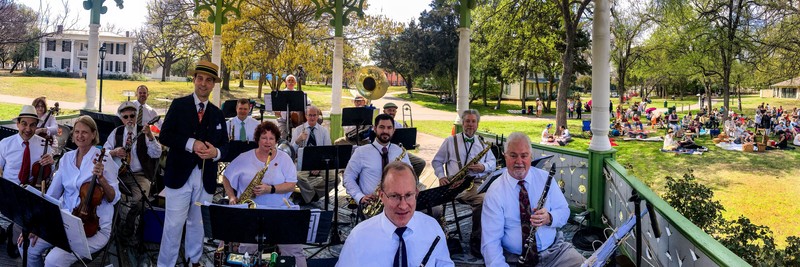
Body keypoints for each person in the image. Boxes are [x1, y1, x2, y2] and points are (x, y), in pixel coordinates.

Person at [21, 115, 121, 267]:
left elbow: (113, 198)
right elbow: (51, 195)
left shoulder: (104, 159)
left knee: (53, 261)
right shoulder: (66, 159)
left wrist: (101, 179)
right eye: (77, 132)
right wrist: (37, 224)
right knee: (26, 246)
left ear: (94, 134)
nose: (80, 136)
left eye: (85, 132)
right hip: (66, 222)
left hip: (93, 228)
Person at [157, 60, 229, 267]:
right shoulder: (179, 105)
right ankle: (165, 264)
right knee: (173, 225)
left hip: (205, 178)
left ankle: (194, 261)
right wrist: (191, 143)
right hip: (179, 175)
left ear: (214, 84)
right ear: (194, 80)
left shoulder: (217, 113)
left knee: (198, 225)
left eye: (208, 80)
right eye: (200, 79)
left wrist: (215, 152)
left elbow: (226, 146)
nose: (203, 84)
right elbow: (165, 136)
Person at [481, 132, 585, 266]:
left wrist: (550, 218)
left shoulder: (545, 178)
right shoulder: (495, 192)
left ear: (531, 156)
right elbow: (490, 244)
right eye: (513, 156)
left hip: (554, 252)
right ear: (504, 156)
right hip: (516, 259)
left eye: (524, 156)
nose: (519, 162)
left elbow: (564, 211)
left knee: (585, 264)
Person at [337, 161, 454, 267]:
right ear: (381, 196)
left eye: (408, 195)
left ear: (416, 194)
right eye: (394, 196)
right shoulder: (359, 237)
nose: (403, 206)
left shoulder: (432, 228)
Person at [222, 121, 307, 266]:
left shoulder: (284, 158)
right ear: (257, 139)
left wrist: (270, 189)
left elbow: (291, 185)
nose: (268, 142)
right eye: (264, 138)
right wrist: (231, 196)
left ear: (276, 140)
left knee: (294, 250)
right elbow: (226, 177)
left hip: (280, 211)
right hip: (251, 213)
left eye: (271, 138)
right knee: (246, 250)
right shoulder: (244, 157)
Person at [432, 109, 497, 257]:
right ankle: (476, 240)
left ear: (477, 124)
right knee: (483, 201)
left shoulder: (481, 142)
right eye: (467, 121)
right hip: (455, 185)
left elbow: (492, 162)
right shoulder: (450, 141)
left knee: (495, 198)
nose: (470, 125)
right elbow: (436, 161)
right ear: (462, 122)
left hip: (474, 183)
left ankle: (487, 236)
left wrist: (483, 167)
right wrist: (442, 176)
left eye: (473, 121)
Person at [103, 101, 162, 248]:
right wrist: (114, 152)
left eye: (132, 116)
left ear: (136, 116)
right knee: (105, 194)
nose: (129, 119)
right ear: (121, 118)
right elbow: (103, 152)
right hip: (117, 173)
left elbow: (157, 153)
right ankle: (113, 227)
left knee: (140, 199)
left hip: (139, 175)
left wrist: (150, 137)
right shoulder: (116, 132)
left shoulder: (144, 132)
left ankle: (128, 229)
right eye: (125, 116)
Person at [0, 105, 55, 258]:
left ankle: (14, 231)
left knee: (12, 253)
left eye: (32, 125)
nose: (28, 129)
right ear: (17, 124)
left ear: (37, 125)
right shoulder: (5, 143)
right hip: (9, 192)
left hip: (30, 194)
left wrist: (51, 163)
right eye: (24, 124)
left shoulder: (44, 145)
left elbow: (48, 176)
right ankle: (9, 229)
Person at [343, 114, 411, 218]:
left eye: (389, 128)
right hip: (371, 206)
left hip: (396, 204)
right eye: (381, 127)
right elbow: (348, 177)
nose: (385, 131)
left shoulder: (400, 151)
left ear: (394, 130)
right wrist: (360, 197)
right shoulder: (361, 152)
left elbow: (410, 176)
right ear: (375, 129)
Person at [291, 105, 334, 204]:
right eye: (310, 115)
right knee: (297, 176)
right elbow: (292, 151)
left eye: (314, 115)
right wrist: (298, 140)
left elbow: (327, 151)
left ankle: (313, 195)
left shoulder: (323, 131)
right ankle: (311, 196)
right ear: (306, 116)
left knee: (335, 178)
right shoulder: (298, 130)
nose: (312, 118)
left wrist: (318, 166)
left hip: (320, 163)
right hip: (303, 162)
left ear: (318, 116)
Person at [383, 102, 426, 178]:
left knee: (420, 163)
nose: (392, 112)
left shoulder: (398, 125)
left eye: (394, 111)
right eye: (389, 110)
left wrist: (413, 143)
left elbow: (405, 141)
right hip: (384, 152)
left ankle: (412, 183)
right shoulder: (379, 124)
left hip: (399, 152)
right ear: (384, 111)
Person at [275, 75, 310, 139]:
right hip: (284, 120)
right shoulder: (281, 94)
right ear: (286, 82)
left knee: (301, 134)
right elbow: (275, 109)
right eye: (289, 81)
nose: (291, 82)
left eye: (292, 81)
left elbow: (308, 102)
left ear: (295, 83)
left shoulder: (299, 93)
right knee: (283, 137)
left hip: (297, 120)